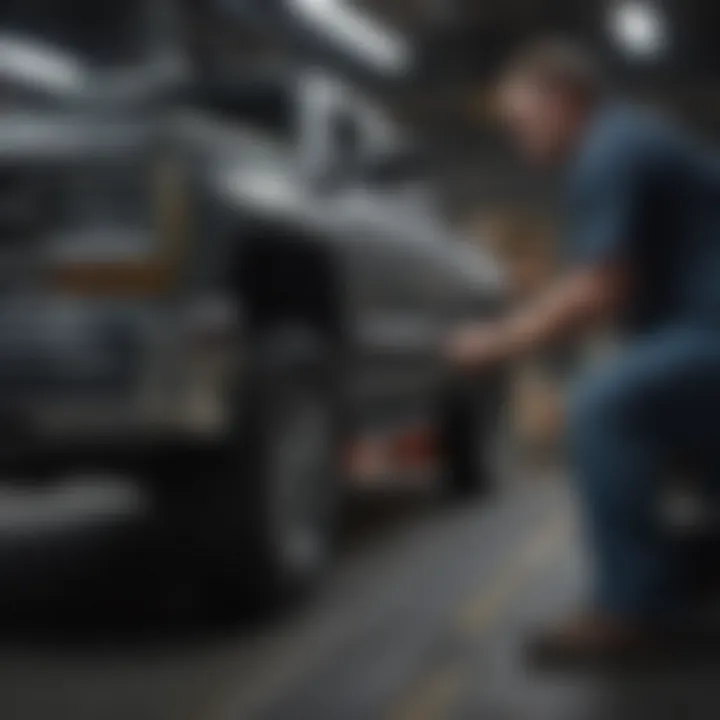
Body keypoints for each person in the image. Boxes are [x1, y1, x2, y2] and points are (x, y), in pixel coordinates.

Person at [447, 40, 720, 665]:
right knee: (668, 413)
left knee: (605, 405)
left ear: (561, 98)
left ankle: (632, 608)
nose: (515, 140)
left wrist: (497, 340)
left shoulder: (610, 150)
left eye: (520, 120)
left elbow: (601, 286)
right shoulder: (631, 141)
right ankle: (694, 569)